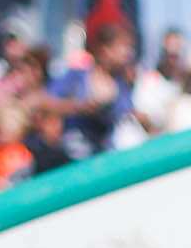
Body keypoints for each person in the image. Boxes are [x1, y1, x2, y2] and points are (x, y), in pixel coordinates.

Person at [46, 16, 143, 161]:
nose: (128, 54)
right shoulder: (77, 76)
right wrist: (79, 107)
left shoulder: (123, 86)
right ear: (105, 50)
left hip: (103, 158)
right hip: (69, 156)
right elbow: (45, 102)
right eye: (123, 47)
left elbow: (126, 115)